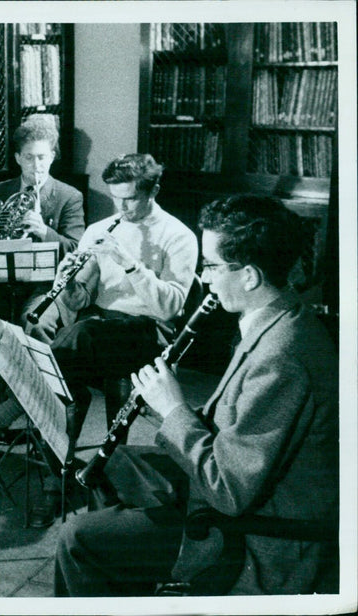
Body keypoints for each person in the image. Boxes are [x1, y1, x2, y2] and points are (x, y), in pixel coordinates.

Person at [54, 194, 339, 596]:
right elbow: (235, 423)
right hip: (238, 493)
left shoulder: (282, 357)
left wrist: (174, 409)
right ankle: (127, 580)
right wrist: (161, 405)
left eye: (212, 266)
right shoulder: (275, 320)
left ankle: (122, 562)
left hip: (256, 537)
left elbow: (229, 488)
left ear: (250, 276)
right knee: (113, 465)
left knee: (78, 538)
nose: (204, 278)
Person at [0, 153, 198, 527]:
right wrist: (68, 283)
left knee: (78, 339)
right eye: (115, 198)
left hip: (148, 334)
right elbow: (80, 300)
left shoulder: (178, 235)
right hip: (98, 329)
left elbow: (171, 307)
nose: (121, 207)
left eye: (130, 198)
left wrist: (130, 263)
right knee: (63, 384)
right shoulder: (103, 227)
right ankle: (60, 483)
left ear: (153, 191)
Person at [0, 115, 86, 325]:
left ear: (52, 156)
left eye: (42, 157)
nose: (36, 165)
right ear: (18, 158)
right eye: (29, 157)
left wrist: (44, 231)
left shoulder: (69, 196)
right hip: (1, 281)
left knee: (33, 321)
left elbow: (76, 250)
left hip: (45, 283)